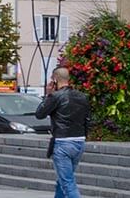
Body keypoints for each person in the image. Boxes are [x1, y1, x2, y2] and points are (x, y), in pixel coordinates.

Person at [34, 67, 91, 198]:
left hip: (62, 142)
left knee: (67, 182)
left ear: (55, 79)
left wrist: (47, 94)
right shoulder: (82, 96)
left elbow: (39, 114)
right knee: (62, 180)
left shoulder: (55, 96)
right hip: (79, 141)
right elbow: (87, 119)